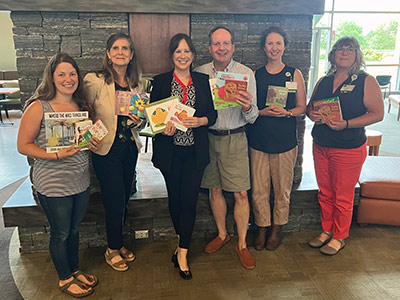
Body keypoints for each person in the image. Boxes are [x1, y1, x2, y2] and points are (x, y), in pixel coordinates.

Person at [17, 52, 99, 298]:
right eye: (61, 74)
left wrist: (91, 142)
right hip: (52, 184)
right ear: (51, 78)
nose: (68, 79)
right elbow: (23, 146)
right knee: (60, 231)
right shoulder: (38, 107)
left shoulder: (81, 106)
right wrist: (55, 156)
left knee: (73, 230)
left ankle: (73, 269)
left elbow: (84, 140)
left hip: (80, 181)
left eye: (72, 74)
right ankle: (64, 278)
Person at [306, 36, 384, 255]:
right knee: (325, 191)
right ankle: (326, 229)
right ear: (333, 54)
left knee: (342, 194)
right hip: (321, 144)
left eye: (350, 49)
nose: (344, 53)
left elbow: (377, 114)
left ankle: (340, 236)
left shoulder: (365, 80)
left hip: (348, 148)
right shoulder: (324, 80)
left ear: (356, 54)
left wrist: (347, 124)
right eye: (340, 49)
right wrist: (311, 113)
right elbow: (311, 108)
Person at [150, 33, 217, 280]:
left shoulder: (202, 80)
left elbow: (213, 115)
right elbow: (152, 120)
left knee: (189, 201)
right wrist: (162, 128)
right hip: (170, 153)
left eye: (187, 51)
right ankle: (181, 244)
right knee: (175, 201)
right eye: (178, 51)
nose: (183, 55)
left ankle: (183, 254)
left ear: (193, 55)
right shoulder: (160, 82)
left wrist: (201, 120)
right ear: (172, 56)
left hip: (194, 153)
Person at [196, 26, 258, 270]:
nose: (221, 48)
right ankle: (223, 234)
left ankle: (242, 244)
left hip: (235, 138)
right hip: (208, 138)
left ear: (233, 46)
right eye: (216, 44)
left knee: (241, 193)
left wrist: (246, 107)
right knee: (214, 190)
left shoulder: (245, 74)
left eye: (226, 43)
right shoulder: (200, 73)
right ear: (210, 48)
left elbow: (253, 117)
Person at [84, 32, 145, 271]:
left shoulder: (136, 83)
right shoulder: (95, 80)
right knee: (113, 199)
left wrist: (138, 121)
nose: (121, 52)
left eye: (126, 48)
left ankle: (118, 244)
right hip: (105, 150)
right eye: (116, 48)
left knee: (124, 196)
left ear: (131, 55)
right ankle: (112, 248)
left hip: (129, 147)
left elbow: (141, 119)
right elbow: (84, 110)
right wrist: (88, 137)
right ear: (108, 54)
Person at [247, 27, 307, 251]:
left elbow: (303, 107)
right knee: (259, 188)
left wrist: (288, 112)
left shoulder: (294, 74)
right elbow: (250, 108)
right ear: (264, 47)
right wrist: (262, 112)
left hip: (285, 142)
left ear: (285, 46)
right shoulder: (255, 75)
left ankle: (277, 228)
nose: (274, 48)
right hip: (259, 140)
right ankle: (262, 226)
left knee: (282, 188)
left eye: (278, 43)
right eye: (270, 43)